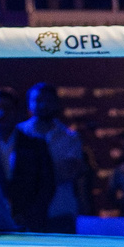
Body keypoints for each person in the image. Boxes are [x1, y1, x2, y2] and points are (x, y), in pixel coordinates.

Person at [0, 88, 58, 232]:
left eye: (7, 108)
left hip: (30, 227)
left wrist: (29, 216)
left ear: (16, 112)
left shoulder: (36, 145)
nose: (1, 113)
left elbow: (47, 185)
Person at [26, 81, 86, 231]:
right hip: (26, 213)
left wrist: (32, 172)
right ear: (29, 104)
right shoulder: (19, 134)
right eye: (38, 100)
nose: (43, 105)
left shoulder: (70, 137)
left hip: (61, 212)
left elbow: (70, 172)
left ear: (56, 103)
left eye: (48, 100)